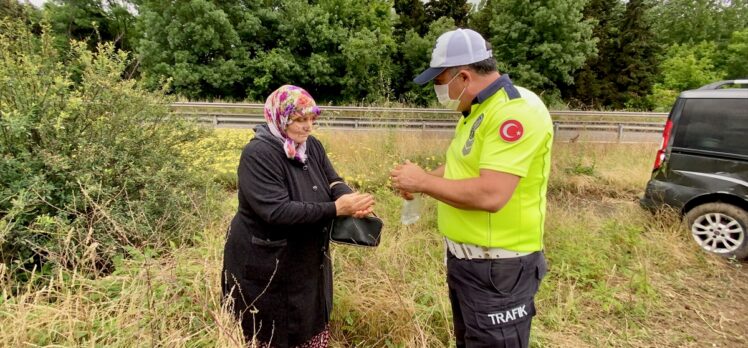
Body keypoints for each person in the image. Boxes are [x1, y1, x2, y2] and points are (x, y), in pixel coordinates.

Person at [390, 28, 553, 348]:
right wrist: (424, 181)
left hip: (499, 270)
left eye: (439, 83)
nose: (438, 92)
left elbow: (492, 194)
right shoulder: (475, 111)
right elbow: (460, 167)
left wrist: (423, 182)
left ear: (462, 77)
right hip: (467, 264)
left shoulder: (514, 111)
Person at [222, 85, 375, 348]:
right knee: (270, 333)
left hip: (305, 260)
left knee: (308, 323)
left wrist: (350, 198)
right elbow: (276, 211)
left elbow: (333, 180)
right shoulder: (259, 154)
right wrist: (337, 209)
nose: (308, 127)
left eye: (312, 119)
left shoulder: (311, 146)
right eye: (300, 119)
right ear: (280, 118)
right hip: (268, 264)